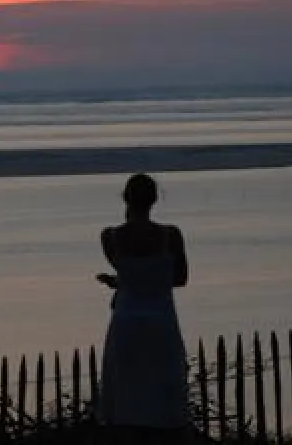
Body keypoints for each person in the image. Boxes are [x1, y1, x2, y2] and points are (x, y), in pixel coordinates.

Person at [96, 173, 189, 443]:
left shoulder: (110, 237)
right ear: (154, 200)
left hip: (126, 324)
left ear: (126, 199)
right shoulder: (171, 236)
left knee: (125, 404)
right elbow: (180, 278)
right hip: (161, 324)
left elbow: (130, 274)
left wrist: (118, 282)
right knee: (163, 402)